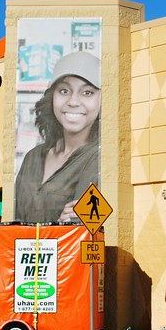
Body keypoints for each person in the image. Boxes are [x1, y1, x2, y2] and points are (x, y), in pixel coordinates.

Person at [15, 51, 101, 224]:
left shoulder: (98, 158)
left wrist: (65, 225)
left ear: (101, 99)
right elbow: (15, 219)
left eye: (87, 93)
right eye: (64, 90)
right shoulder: (33, 157)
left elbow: (86, 225)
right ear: (52, 96)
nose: (73, 101)